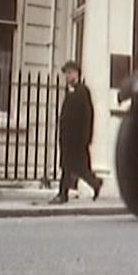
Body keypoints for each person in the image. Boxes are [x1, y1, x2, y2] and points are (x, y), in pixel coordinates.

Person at [49, 60, 102, 204]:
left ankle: (63, 195)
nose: (67, 76)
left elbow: (87, 116)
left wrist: (85, 138)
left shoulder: (82, 91)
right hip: (69, 138)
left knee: (69, 167)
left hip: (76, 139)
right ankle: (95, 183)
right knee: (78, 168)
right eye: (66, 73)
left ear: (76, 73)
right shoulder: (71, 92)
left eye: (69, 73)